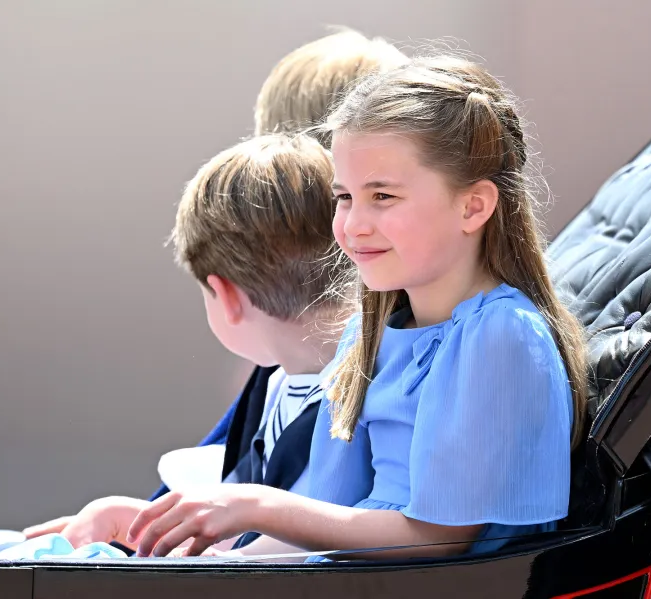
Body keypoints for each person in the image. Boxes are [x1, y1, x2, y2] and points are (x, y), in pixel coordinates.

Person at [125, 54, 589, 562]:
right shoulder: (371, 331)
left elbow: (439, 540)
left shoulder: (499, 336)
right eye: (344, 197)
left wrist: (255, 505)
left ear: (473, 205)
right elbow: (327, 509)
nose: (352, 225)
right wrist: (214, 561)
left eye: (383, 196)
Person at [22, 29, 408, 550]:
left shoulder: (388, 372)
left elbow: (321, 542)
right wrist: (133, 521)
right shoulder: (294, 373)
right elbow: (244, 516)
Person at [23, 133, 347, 554]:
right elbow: (239, 523)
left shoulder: (363, 389)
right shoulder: (280, 385)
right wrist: (138, 521)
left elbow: (311, 538)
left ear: (226, 296)